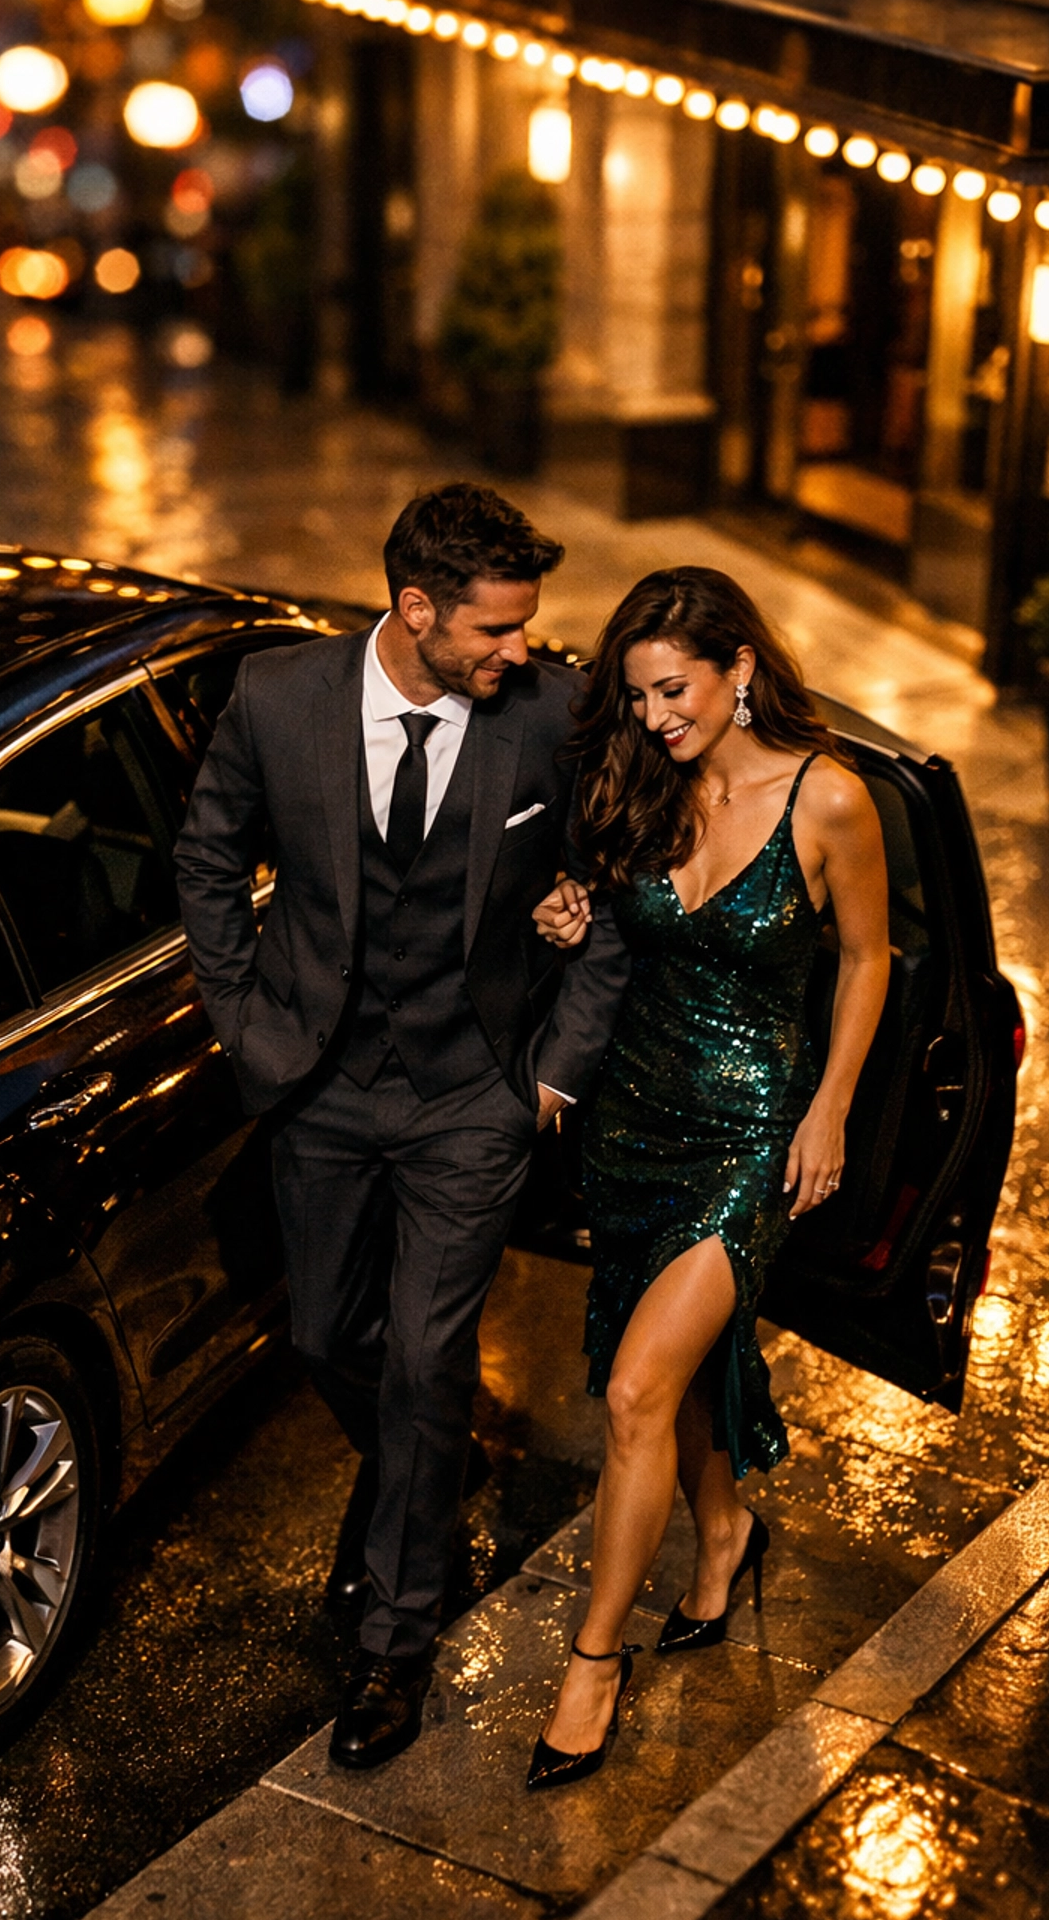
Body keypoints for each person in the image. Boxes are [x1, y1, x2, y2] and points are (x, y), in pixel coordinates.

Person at [174, 483, 629, 1771]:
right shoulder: (279, 698)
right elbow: (206, 860)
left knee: (428, 1358)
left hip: (472, 1096)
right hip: (318, 1085)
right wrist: (250, 1025)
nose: (520, 650)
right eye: (495, 630)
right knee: (324, 1333)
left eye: (528, 626)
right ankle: (420, 1466)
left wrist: (555, 1067)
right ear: (414, 608)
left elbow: (614, 882)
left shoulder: (548, 718)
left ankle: (396, 1640)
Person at [527, 566, 889, 1790]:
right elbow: (619, 919)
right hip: (631, 1124)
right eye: (635, 698)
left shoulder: (830, 799)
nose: (653, 717)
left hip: (745, 1136)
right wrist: (577, 908)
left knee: (634, 1393)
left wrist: (829, 1108)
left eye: (671, 690)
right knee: (678, 1382)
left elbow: (868, 956)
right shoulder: (646, 781)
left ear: (740, 666)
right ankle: (724, 1530)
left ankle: (593, 1662)